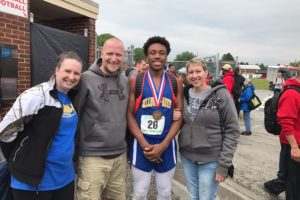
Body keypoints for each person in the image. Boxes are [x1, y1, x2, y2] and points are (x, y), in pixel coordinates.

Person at [0, 51, 82, 200]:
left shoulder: (73, 96)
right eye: (67, 71)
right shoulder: (36, 96)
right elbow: (5, 132)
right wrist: (19, 161)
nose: (72, 77)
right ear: (57, 70)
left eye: (76, 73)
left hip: (65, 178)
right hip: (32, 182)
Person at [174, 57, 240, 200]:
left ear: (206, 72)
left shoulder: (220, 94)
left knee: (206, 197)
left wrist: (224, 165)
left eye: (198, 71)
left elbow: (233, 130)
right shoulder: (184, 94)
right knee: (193, 196)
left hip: (211, 159)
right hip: (187, 156)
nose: (194, 75)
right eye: (190, 72)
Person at [127, 36, 183, 200]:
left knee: (165, 192)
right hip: (141, 143)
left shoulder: (175, 81)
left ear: (166, 56)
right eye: (153, 53)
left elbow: (179, 117)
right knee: (139, 192)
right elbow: (129, 115)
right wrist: (145, 144)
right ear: (147, 57)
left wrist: (163, 145)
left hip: (167, 144)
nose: (157, 56)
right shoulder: (136, 80)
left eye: (161, 53)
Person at [74, 37, 129, 200]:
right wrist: (74, 156)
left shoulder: (125, 81)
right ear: (101, 54)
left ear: (123, 56)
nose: (114, 58)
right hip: (92, 156)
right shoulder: (85, 79)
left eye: (118, 54)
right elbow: (74, 116)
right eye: (110, 53)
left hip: (119, 156)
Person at [277, 65, 300, 200]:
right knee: (294, 186)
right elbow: (285, 121)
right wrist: (294, 147)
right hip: (294, 145)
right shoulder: (292, 93)